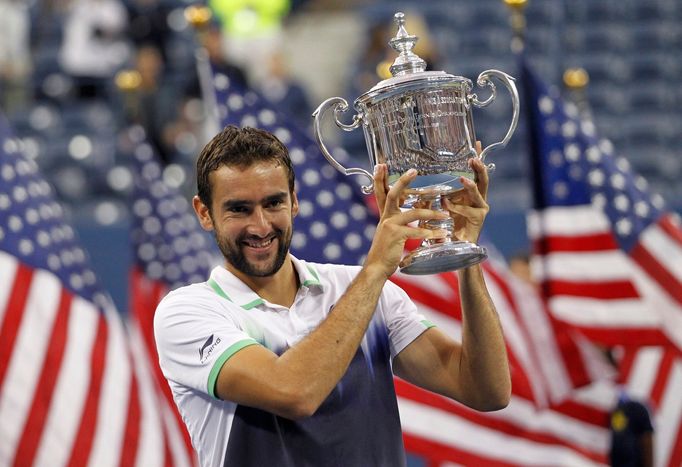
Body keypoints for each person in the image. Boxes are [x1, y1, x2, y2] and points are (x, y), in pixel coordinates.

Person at [154, 126, 511, 466]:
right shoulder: (187, 312)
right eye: (239, 209)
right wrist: (374, 271)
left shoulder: (367, 291)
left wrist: (465, 254)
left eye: (273, 203)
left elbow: (486, 390)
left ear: (294, 202)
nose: (260, 226)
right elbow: (295, 392)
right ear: (204, 213)